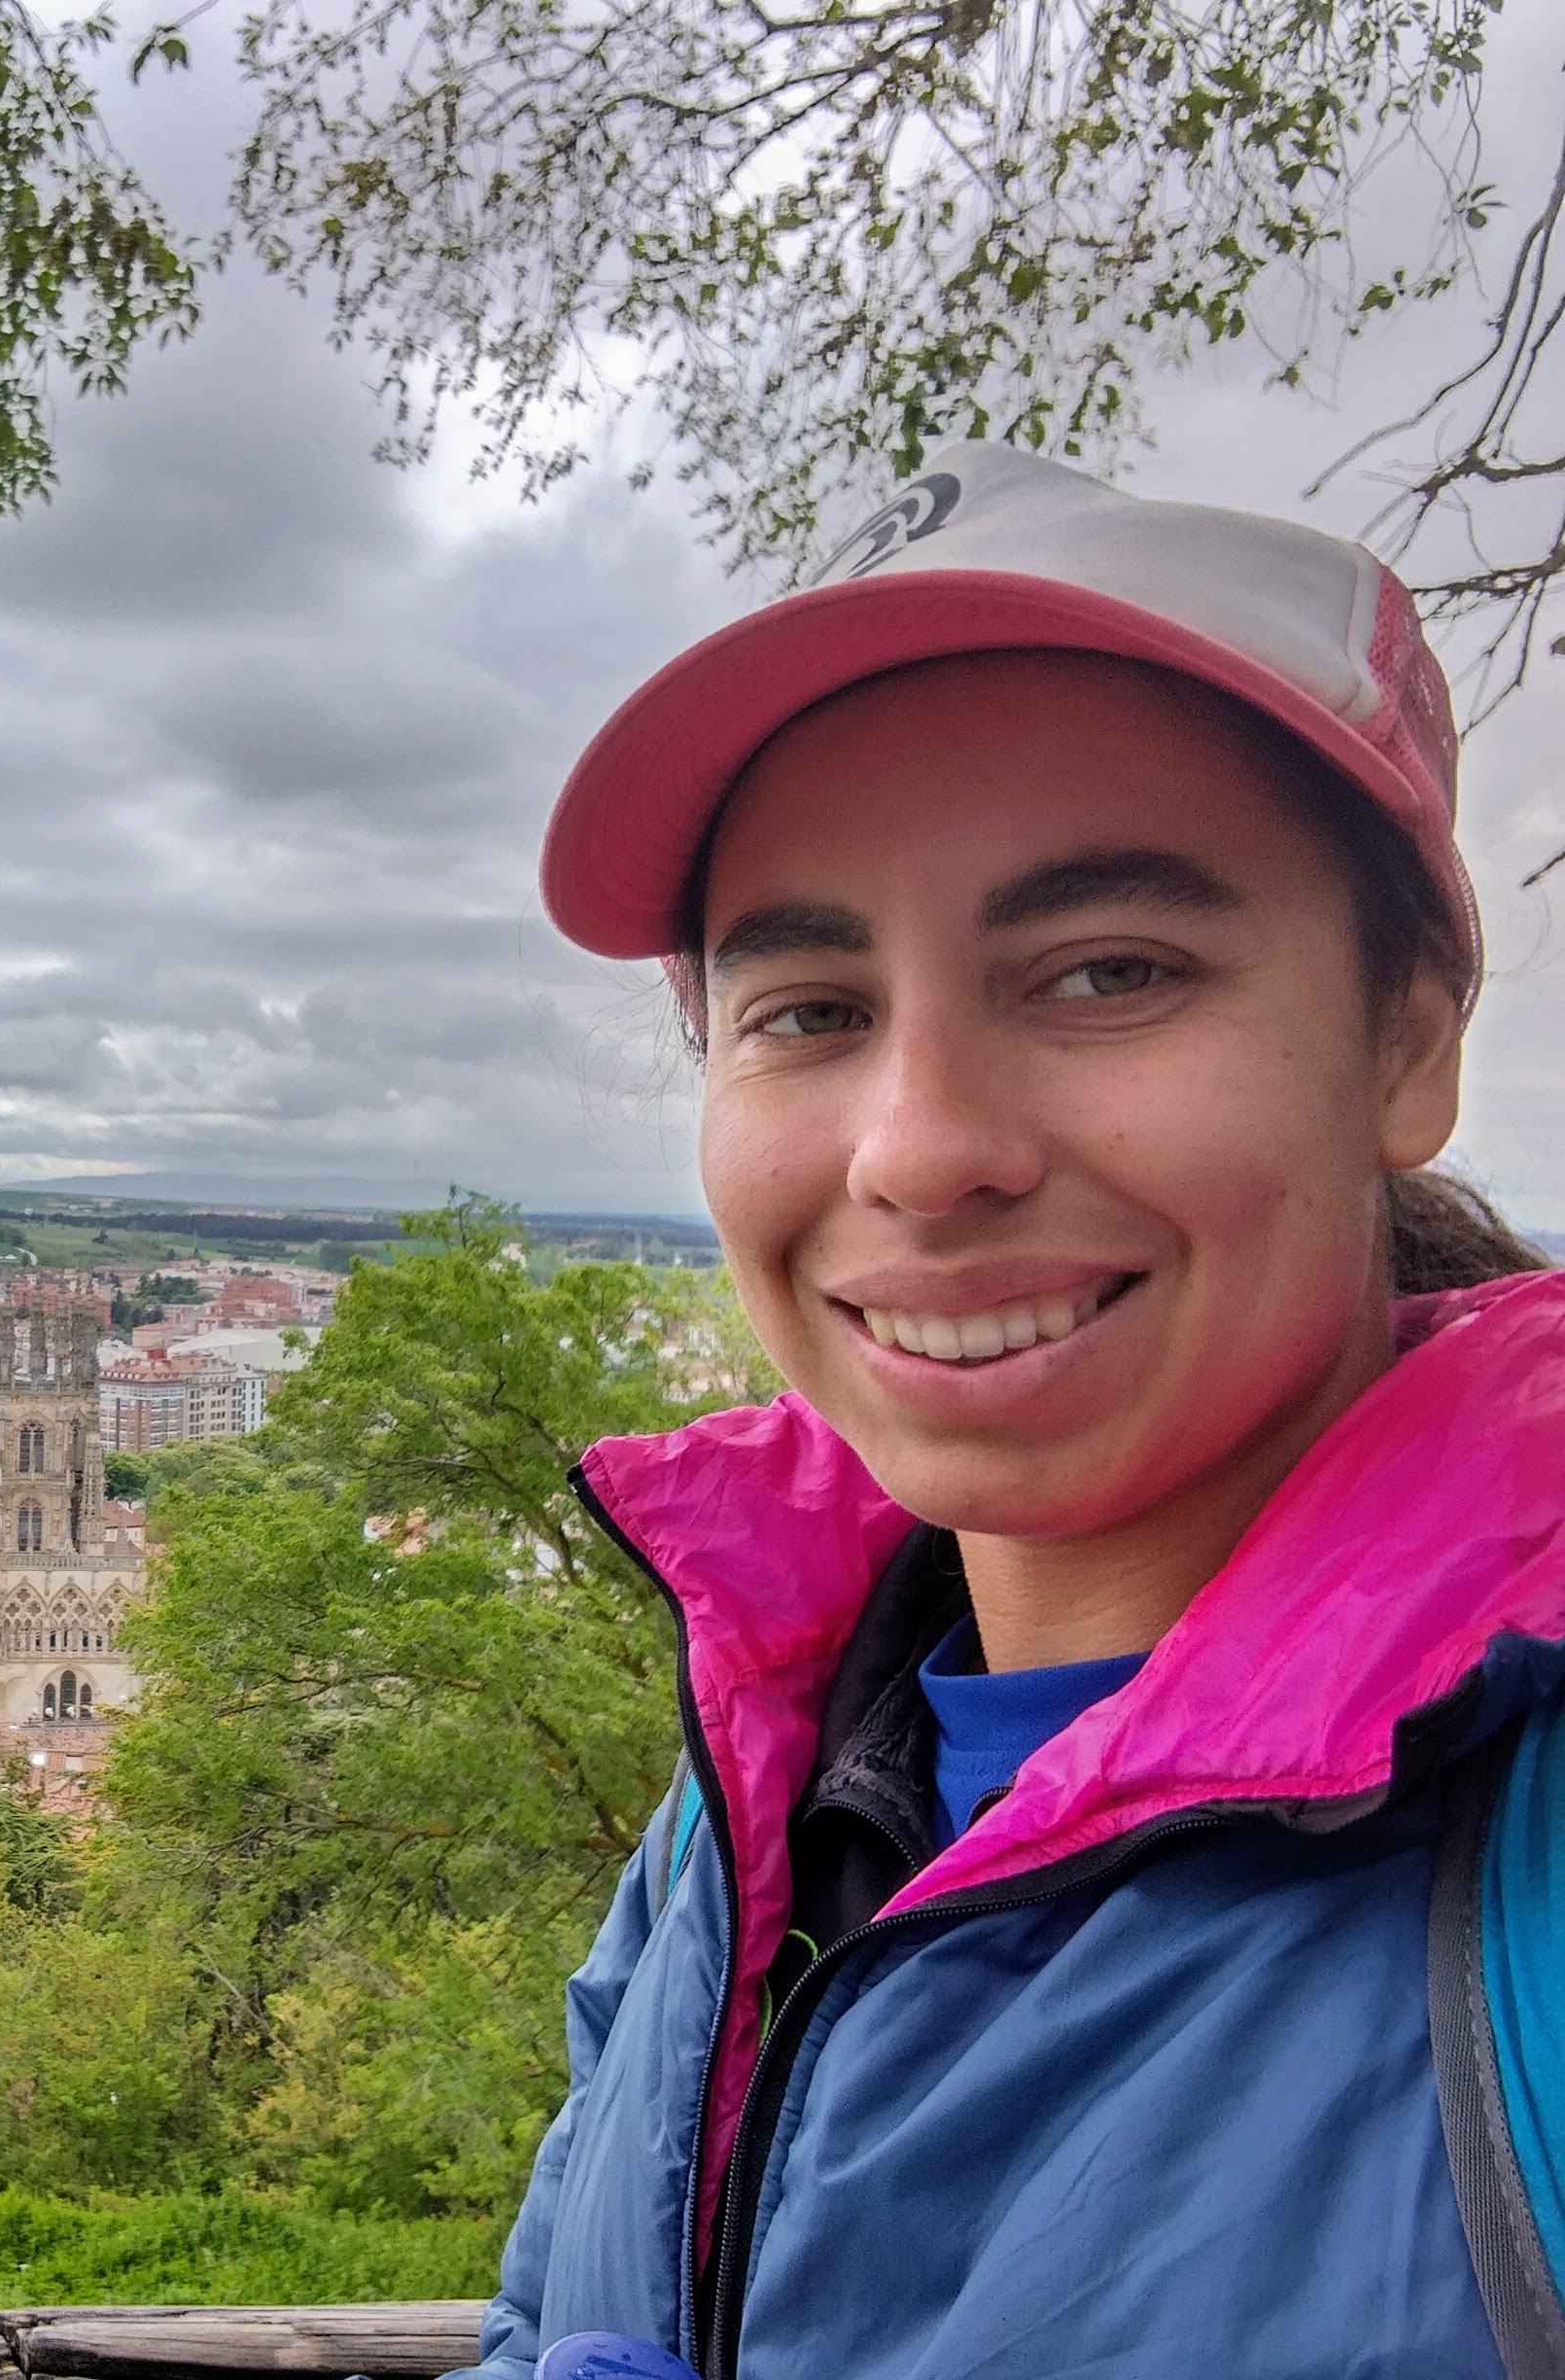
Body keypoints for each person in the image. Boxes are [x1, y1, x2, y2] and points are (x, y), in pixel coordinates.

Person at [466, 444, 1565, 2379]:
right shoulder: (758, 1802)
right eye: (810, 1006)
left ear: (1410, 1038)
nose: (924, 1149)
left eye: (1106, 972)